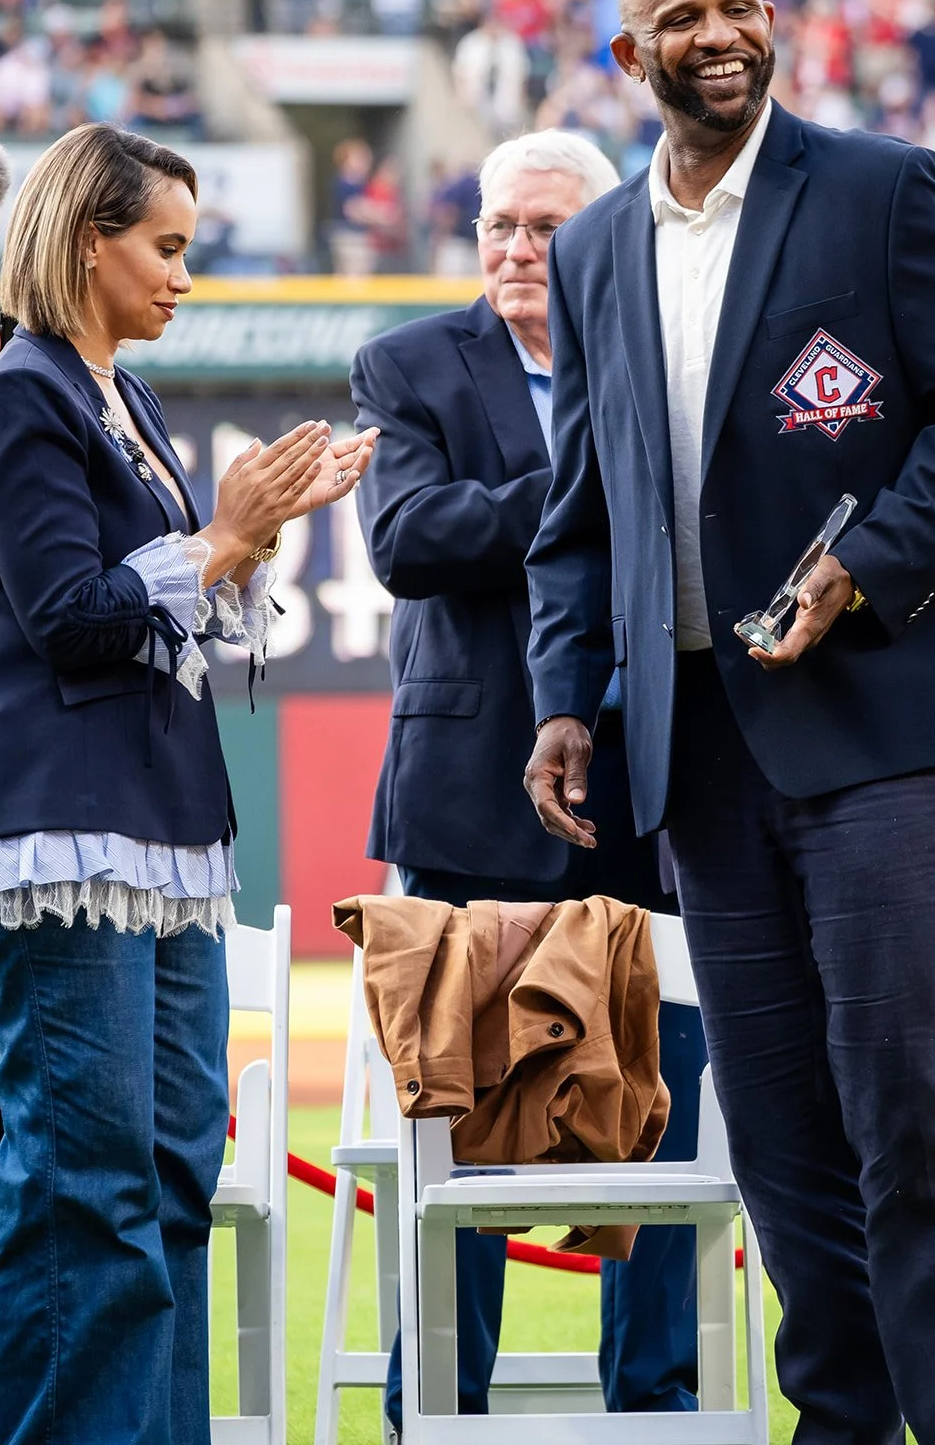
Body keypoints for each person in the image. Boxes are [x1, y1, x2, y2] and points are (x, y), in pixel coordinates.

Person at [523, 0, 935, 1444]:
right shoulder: (595, 246)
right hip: (698, 756)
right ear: (629, 59)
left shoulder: (886, 187)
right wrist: (568, 697)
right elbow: (582, 513)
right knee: (781, 1143)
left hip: (883, 728)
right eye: (677, 18)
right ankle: (841, 1423)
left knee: (919, 1123)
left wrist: (860, 564)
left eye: (736, 7)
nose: (716, 34)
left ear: (773, 23)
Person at [0, 122, 376, 1445]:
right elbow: (66, 613)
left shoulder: (125, 396)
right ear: (85, 243)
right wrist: (223, 536)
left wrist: (247, 543)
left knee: (163, 1174)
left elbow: (175, 616)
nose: (183, 277)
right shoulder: (20, 391)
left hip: (163, 830)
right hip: (62, 836)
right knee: (81, 1187)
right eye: (163, 248)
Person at [350, 128, 708, 1440]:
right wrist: (595, 484)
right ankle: (432, 1415)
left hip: (654, 804)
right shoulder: (406, 362)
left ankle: (659, 1409)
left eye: (543, 227)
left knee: (666, 1133)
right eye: (497, 223)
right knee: (459, 1140)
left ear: (604, 240)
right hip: (470, 805)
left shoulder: (665, 364)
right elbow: (407, 539)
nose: (511, 247)